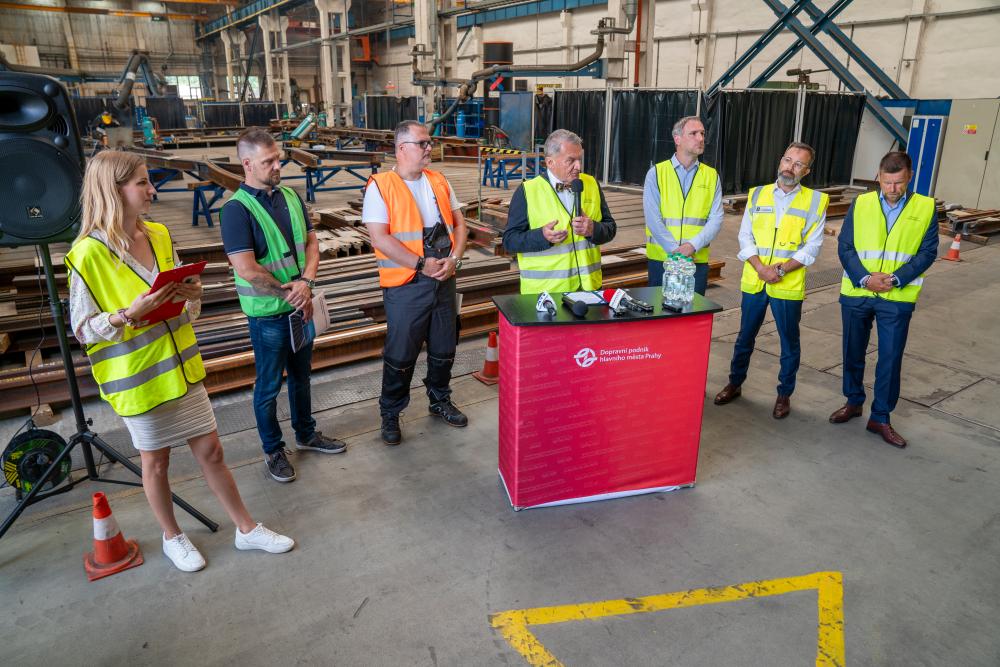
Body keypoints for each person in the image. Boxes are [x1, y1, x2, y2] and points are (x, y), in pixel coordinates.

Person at [66, 151, 294, 572]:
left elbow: (182, 306)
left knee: (211, 449)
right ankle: (173, 537)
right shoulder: (88, 255)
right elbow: (81, 330)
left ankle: (246, 529)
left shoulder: (158, 235)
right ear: (113, 190)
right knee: (156, 462)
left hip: (182, 368)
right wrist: (127, 315)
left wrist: (191, 297)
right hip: (140, 379)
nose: (152, 190)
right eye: (141, 183)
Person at [221, 127, 346, 484]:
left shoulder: (290, 196)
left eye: (278, 157)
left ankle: (306, 435)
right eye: (269, 161)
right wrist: (289, 294)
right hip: (268, 317)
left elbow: (311, 244)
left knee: (303, 377)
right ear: (247, 164)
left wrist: (306, 283)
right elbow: (246, 268)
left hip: (299, 307)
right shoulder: (236, 211)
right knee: (269, 385)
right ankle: (273, 449)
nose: (279, 164)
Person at [362, 120, 470, 446]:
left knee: (444, 345)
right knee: (401, 352)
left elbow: (461, 225)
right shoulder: (381, 186)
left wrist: (455, 260)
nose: (428, 148)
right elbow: (379, 237)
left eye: (429, 142)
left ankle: (440, 399)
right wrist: (421, 264)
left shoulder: (438, 180)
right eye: (422, 143)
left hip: (443, 278)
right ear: (401, 148)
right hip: (405, 283)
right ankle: (391, 413)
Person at [828, 151, 938, 448]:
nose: (892, 188)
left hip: (896, 295)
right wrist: (865, 278)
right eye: (887, 182)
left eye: (898, 182)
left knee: (890, 357)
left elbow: (927, 252)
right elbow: (846, 245)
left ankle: (881, 417)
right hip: (857, 292)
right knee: (853, 351)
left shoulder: (926, 207)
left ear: (909, 177)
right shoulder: (861, 203)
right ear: (878, 176)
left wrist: (895, 279)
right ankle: (853, 402)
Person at [714, 143, 829, 419]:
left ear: (807, 171)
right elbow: (745, 237)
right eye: (788, 160)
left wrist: (780, 270)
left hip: (787, 284)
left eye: (798, 164)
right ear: (780, 161)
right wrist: (761, 268)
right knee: (744, 338)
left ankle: (783, 394)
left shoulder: (815, 201)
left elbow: (811, 247)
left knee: (789, 343)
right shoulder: (757, 195)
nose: (790, 167)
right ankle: (734, 383)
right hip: (755, 280)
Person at [502, 129, 617, 293]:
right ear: (550, 162)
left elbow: (610, 228)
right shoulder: (527, 191)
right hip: (546, 295)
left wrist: (594, 229)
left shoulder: (591, 184)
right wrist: (542, 236)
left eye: (579, 159)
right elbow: (509, 241)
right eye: (570, 160)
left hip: (589, 289)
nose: (578, 166)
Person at [642, 115, 724, 295]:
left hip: (696, 261)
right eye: (694, 133)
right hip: (662, 261)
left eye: (702, 133)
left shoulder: (711, 176)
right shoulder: (656, 173)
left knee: (692, 316)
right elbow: (653, 219)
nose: (701, 138)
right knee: (659, 315)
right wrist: (677, 253)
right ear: (677, 139)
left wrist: (692, 246)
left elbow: (716, 219)